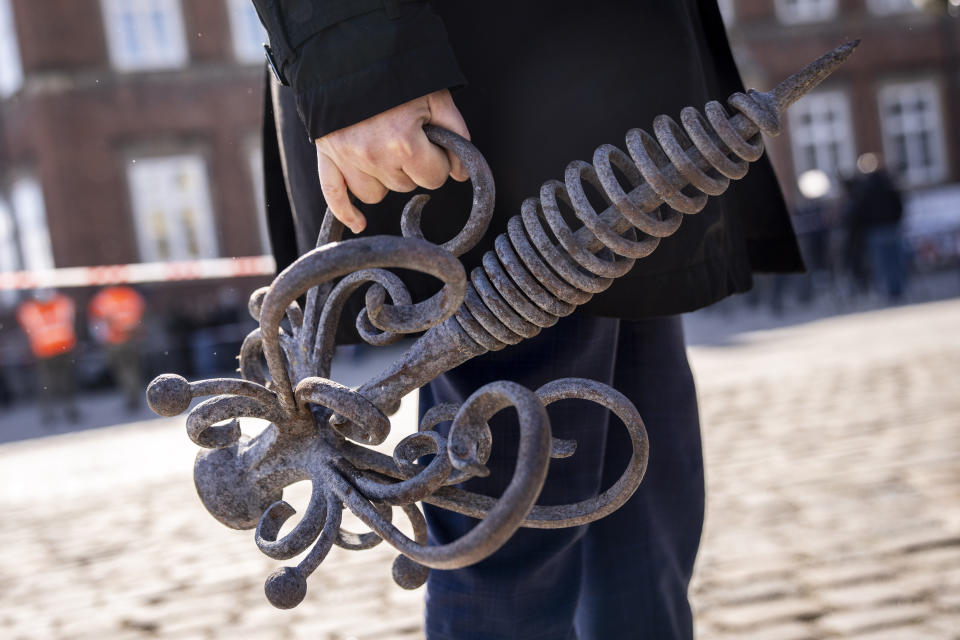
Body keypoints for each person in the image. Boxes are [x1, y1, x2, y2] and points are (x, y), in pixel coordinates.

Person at [252, 2, 803, 638]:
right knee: (511, 557)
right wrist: (356, 63)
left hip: (618, 87)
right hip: (472, 91)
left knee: (645, 526)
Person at [16, 289, 80, 424]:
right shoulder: (61, 303)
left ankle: (59, 411)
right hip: (52, 349)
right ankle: (59, 411)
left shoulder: (30, 309)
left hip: (51, 349)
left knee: (54, 382)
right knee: (54, 382)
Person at [88, 285, 146, 412]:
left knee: (122, 371)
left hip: (114, 340)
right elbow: (140, 315)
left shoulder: (103, 298)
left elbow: (98, 320)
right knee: (132, 369)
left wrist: (102, 338)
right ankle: (134, 396)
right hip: (130, 338)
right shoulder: (130, 295)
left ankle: (131, 397)